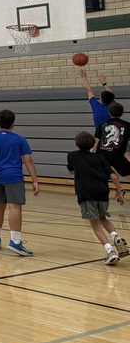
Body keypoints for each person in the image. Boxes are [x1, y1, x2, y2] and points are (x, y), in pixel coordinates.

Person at [0, 109, 40, 256]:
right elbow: (28, 160)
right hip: (13, 176)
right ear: (13, 123)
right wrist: (35, 180)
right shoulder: (19, 139)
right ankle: (15, 241)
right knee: (14, 207)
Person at [67, 131, 129, 265]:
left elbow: (71, 171)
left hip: (86, 193)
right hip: (102, 191)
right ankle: (115, 236)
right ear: (92, 144)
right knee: (103, 219)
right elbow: (113, 176)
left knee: (95, 225)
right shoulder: (100, 158)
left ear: (77, 144)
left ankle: (110, 251)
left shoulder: (72, 156)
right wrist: (119, 192)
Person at [95, 102, 129, 177]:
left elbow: (96, 141)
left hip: (102, 155)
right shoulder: (127, 125)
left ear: (109, 112)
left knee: (100, 175)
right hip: (117, 155)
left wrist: (90, 153)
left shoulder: (102, 124)